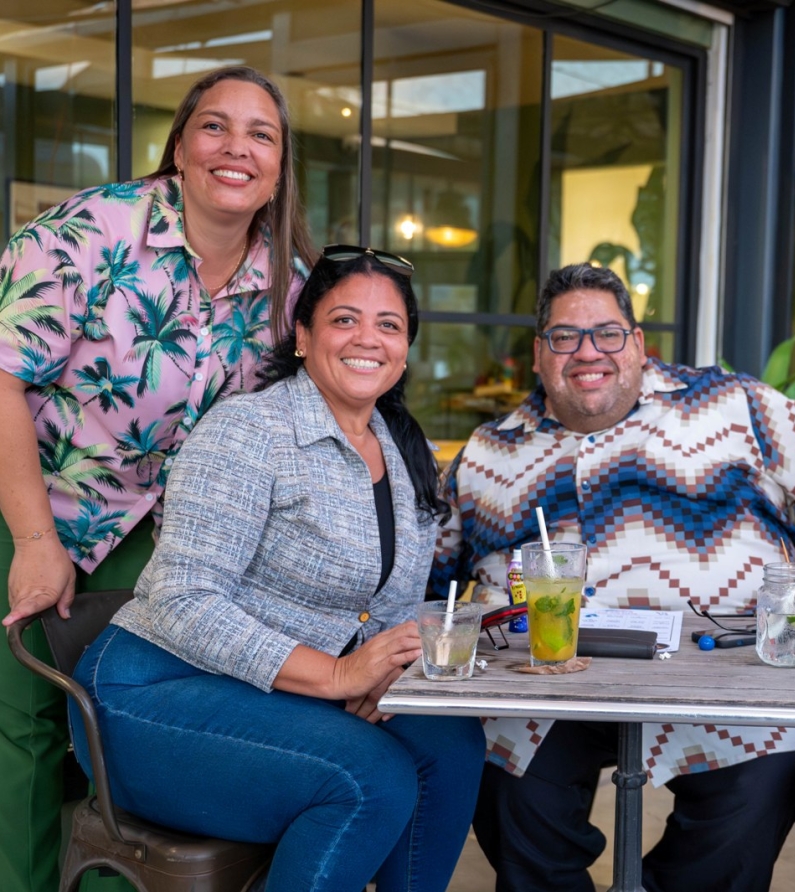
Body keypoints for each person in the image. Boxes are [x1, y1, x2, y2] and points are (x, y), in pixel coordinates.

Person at [431, 262, 795, 892]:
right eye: (565, 337)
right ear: (540, 355)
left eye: (608, 333)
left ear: (639, 344)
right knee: (510, 787)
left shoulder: (733, 406)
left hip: (724, 670)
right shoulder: (488, 452)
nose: (588, 351)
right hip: (543, 680)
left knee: (759, 779)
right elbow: (434, 577)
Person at [69, 246, 484, 891]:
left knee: (450, 748)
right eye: (345, 319)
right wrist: (341, 674)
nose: (367, 339)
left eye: (389, 325)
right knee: (369, 777)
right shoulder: (248, 430)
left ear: (405, 350)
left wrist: (389, 672)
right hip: (152, 696)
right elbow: (182, 602)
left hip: (276, 699)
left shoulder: (404, 453)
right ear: (304, 335)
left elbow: (393, 608)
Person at [0, 65, 317, 892]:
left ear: (281, 168)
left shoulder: (288, 286)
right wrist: (35, 540)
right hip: (36, 501)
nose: (236, 148)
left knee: (127, 729)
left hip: (165, 539)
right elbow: (0, 374)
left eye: (262, 134)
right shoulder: (92, 230)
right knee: (27, 735)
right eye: (215, 126)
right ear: (179, 145)